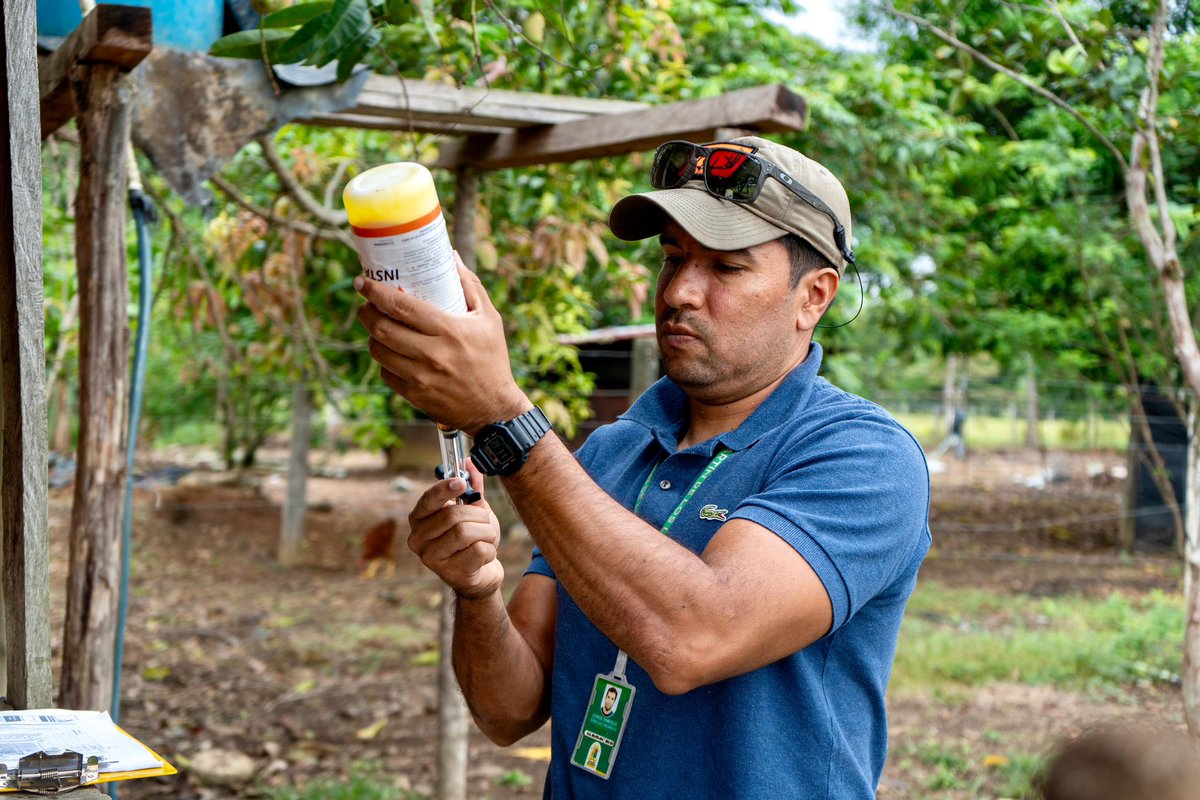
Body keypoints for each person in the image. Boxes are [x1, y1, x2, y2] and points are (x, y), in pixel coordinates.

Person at [354, 136, 931, 798]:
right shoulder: (609, 453)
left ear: (814, 297)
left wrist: (503, 417)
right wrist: (478, 590)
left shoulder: (863, 457)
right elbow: (508, 710)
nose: (682, 291)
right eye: (673, 259)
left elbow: (693, 638)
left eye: (726, 268)